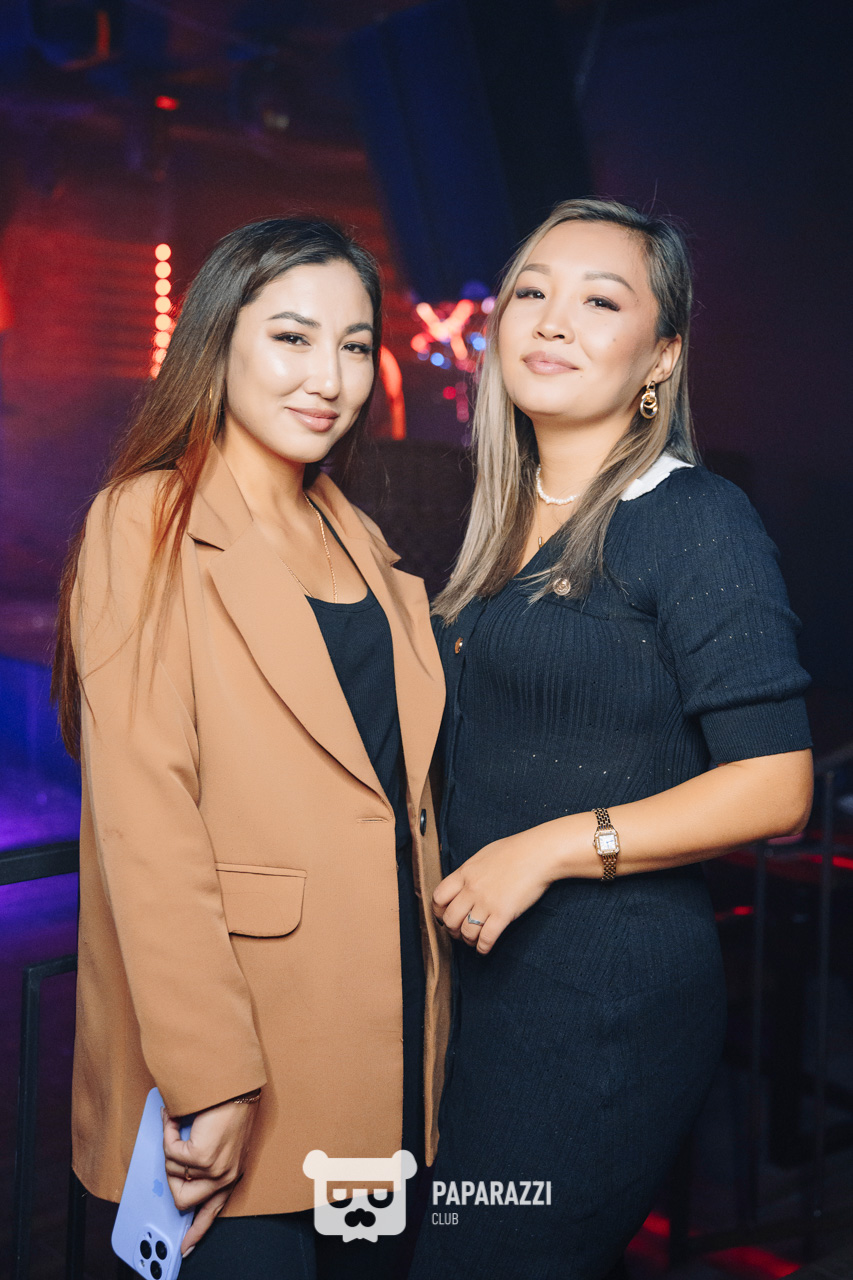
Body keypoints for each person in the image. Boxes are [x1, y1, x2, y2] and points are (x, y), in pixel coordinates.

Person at [409, 198, 813, 1280]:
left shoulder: (692, 517)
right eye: (531, 291)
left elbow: (775, 784)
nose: (551, 319)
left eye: (599, 300)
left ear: (661, 357)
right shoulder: (499, 520)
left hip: (601, 1006)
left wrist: (546, 848)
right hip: (481, 993)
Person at [52, 218, 450, 1278]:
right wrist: (212, 1076)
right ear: (218, 341)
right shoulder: (145, 520)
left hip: (384, 1031)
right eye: (292, 337)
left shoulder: (355, 532)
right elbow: (147, 819)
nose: (330, 377)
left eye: (355, 345)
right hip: (244, 1044)